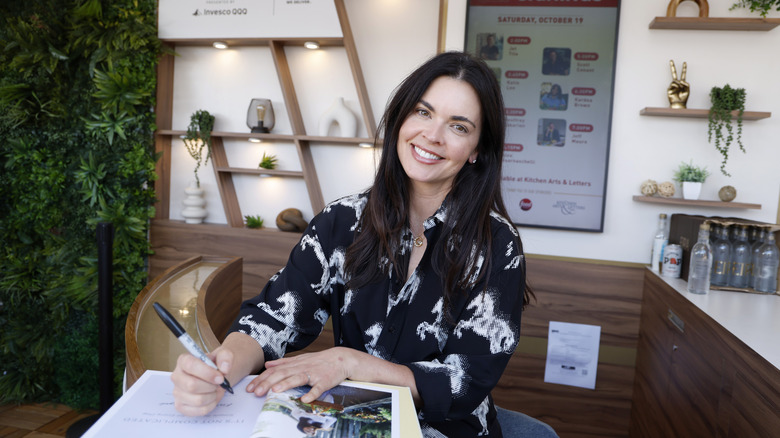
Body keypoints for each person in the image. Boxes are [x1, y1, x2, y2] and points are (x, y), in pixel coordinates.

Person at [171, 51, 532, 437]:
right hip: (348, 424)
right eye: (423, 112)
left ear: (477, 149)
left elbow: (464, 381)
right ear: (401, 118)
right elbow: (273, 318)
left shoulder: (497, 245)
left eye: (458, 127)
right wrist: (221, 367)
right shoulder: (342, 221)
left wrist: (349, 362)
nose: (432, 135)